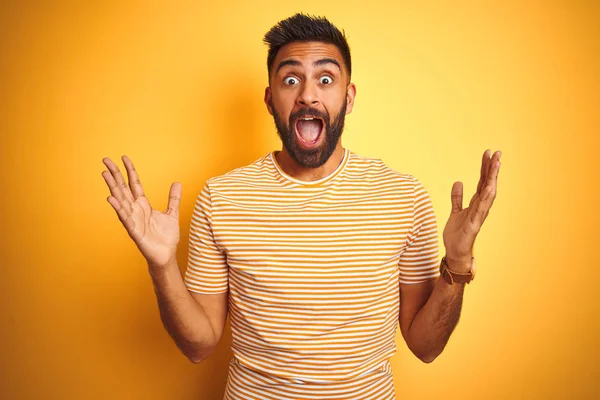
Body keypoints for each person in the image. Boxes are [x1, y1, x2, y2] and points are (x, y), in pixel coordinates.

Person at [101, 13, 501, 400]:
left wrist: (458, 262)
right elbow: (198, 346)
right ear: (271, 99)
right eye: (291, 79)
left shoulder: (404, 197)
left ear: (349, 96)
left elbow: (426, 346)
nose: (308, 94)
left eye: (325, 79)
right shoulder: (221, 198)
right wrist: (161, 264)